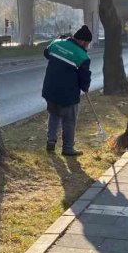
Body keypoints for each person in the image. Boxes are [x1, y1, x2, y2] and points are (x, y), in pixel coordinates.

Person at [42, 25, 92, 156]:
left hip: (50, 89)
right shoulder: (82, 56)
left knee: (54, 114)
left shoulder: (56, 43)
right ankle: (68, 148)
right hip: (68, 93)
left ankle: (51, 141)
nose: (87, 46)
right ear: (82, 41)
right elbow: (84, 76)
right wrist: (85, 87)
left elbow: (46, 53)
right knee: (69, 120)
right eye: (87, 44)